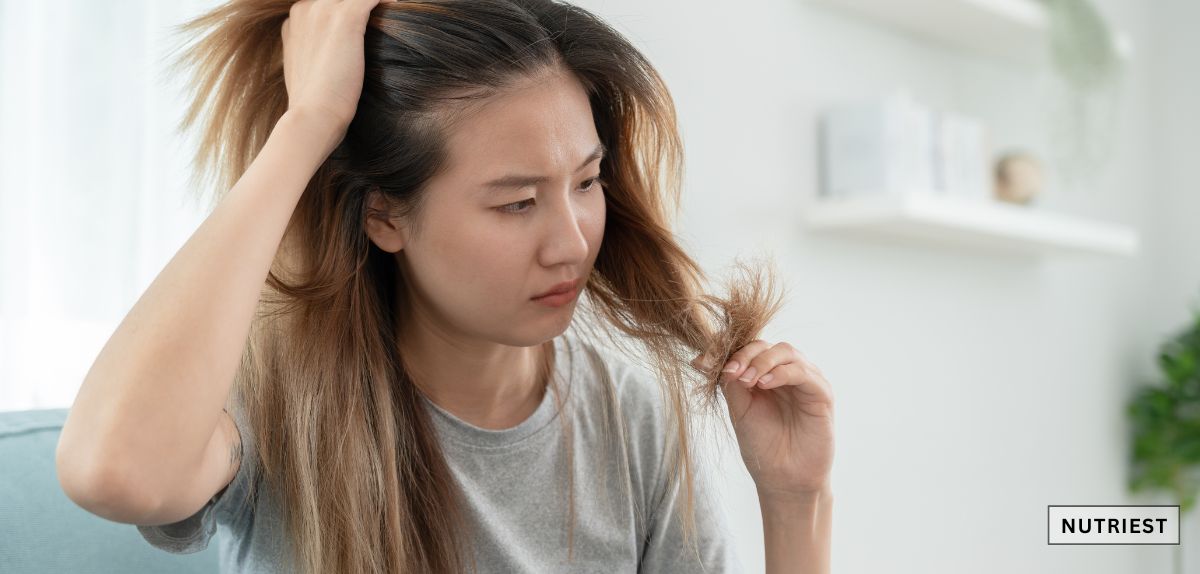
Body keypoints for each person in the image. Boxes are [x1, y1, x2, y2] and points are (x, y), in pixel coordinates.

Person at [55, 0, 835, 572]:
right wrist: (309, 124)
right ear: (386, 216)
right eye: (516, 203)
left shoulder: (630, 414)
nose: (571, 241)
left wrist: (795, 500)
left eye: (588, 181)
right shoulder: (276, 403)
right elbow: (112, 472)